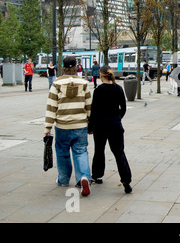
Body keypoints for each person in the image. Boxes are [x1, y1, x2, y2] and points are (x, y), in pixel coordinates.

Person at [44, 56, 92, 196]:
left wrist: (47, 128)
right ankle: (83, 177)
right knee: (81, 151)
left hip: (62, 125)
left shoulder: (56, 84)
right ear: (76, 67)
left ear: (63, 67)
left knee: (62, 152)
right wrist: (90, 123)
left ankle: (64, 179)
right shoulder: (83, 83)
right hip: (80, 124)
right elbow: (89, 105)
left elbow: (51, 106)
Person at [88, 65, 132, 194]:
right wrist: (117, 118)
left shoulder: (98, 90)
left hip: (100, 125)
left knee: (99, 150)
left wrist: (91, 127)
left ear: (101, 76)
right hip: (115, 125)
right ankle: (126, 180)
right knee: (119, 153)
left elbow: (94, 110)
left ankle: (97, 175)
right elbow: (123, 107)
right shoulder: (118, 88)